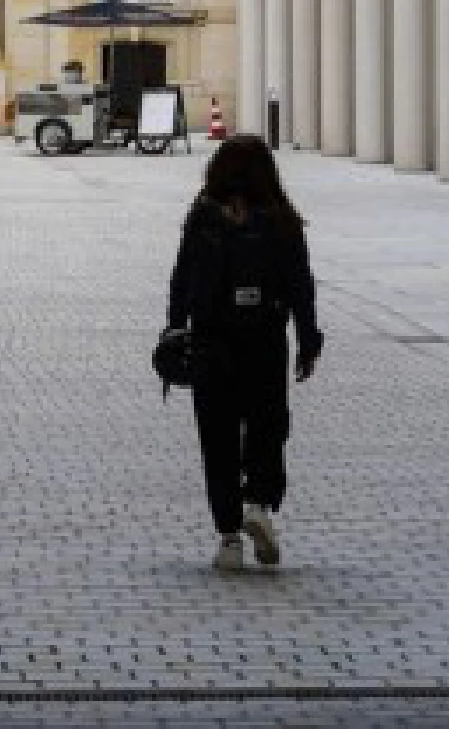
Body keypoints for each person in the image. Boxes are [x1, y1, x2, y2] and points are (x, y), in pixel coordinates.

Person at [166, 134, 324, 571]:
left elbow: (182, 276)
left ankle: (229, 538)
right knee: (267, 427)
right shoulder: (280, 218)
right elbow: (300, 285)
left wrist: (175, 327)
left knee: (217, 437)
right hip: (265, 340)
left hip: (211, 340)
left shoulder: (202, 216)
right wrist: (308, 341)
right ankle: (258, 503)